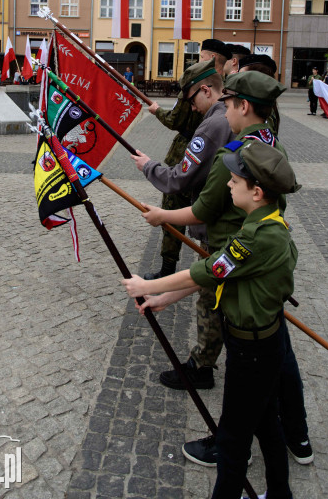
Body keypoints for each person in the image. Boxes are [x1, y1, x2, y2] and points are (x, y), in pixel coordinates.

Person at [138, 71, 313, 465]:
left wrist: (161, 220)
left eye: (229, 104)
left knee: (244, 362)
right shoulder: (273, 143)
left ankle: (232, 445)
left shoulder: (236, 153)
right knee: (277, 354)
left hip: (236, 257)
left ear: (243, 106)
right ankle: (296, 435)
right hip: (264, 261)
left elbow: (204, 211)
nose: (224, 110)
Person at [123, 141, 301, 499]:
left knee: (232, 439)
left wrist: (147, 284)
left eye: (235, 180)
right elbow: (218, 274)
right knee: (266, 423)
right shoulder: (264, 220)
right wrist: (163, 298)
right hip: (263, 343)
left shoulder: (257, 237)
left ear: (258, 191)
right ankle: (280, 494)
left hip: (252, 350)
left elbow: (206, 270)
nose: (229, 184)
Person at [132, 60, 232, 389]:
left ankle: (202, 366)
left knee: (210, 294)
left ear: (206, 90)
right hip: (225, 223)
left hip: (221, 227)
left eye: (191, 99)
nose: (190, 106)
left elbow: (179, 178)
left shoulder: (213, 125)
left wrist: (148, 166)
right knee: (213, 286)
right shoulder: (229, 118)